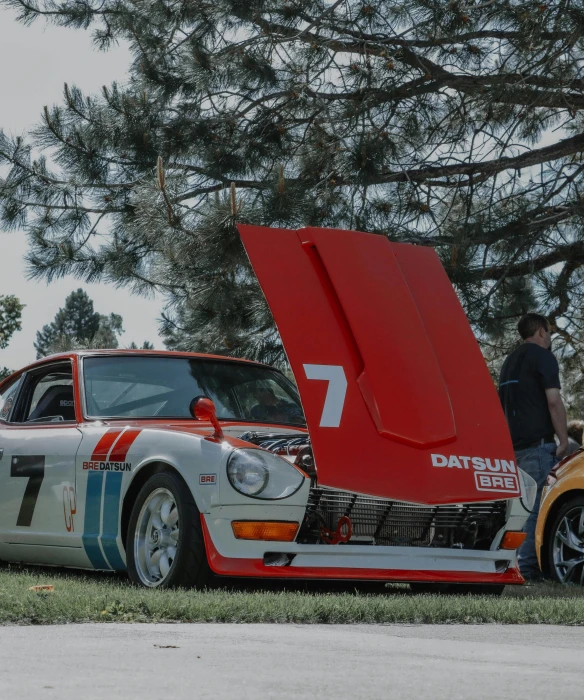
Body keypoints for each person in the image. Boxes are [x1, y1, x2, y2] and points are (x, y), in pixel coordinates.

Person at [498, 312, 568, 581]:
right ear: (540, 331)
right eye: (549, 332)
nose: (549, 338)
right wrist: (563, 440)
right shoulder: (543, 356)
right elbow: (553, 400)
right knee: (537, 511)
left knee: (514, 513)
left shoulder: (509, 362)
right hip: (537, 448)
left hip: (510, 449)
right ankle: (527, 570)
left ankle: (509, 565)